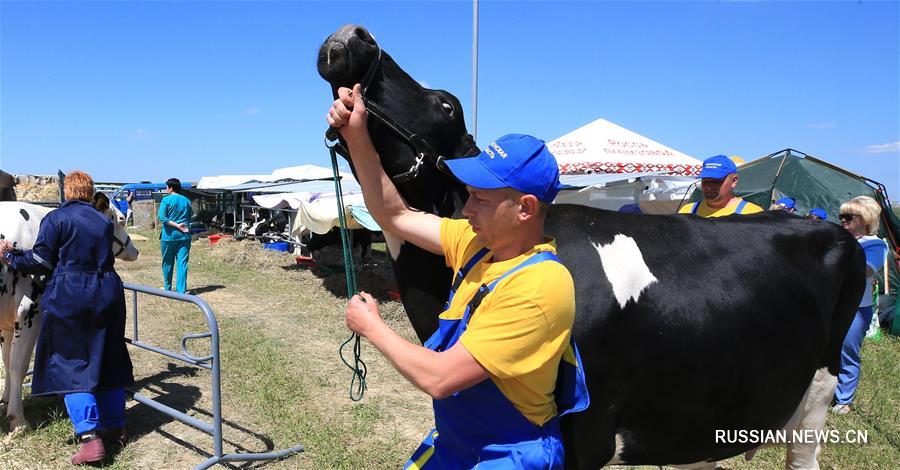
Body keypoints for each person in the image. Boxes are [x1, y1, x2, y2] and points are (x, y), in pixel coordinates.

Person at [328, 84, 588, 469]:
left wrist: (373, 328)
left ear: (525, 208)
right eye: (468, 194)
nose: (466, 209)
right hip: (460, 444)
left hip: (509, 453)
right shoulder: (477, 244)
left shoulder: (539, 286)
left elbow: (441, 378)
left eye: (481, 198)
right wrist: (357, 135)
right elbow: (395, 215)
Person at [0, 171, 134, 465]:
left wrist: (10, 257)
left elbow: (40, 261)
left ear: (66, 192)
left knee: (71, 360)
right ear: (90, 192)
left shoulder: (56, 219)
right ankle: (116, 426)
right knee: (108, 355)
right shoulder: (103, 219)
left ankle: (89, 438)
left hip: (73, 292)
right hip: (109, 290)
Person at [832, 196, 888, 414]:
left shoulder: (875, 244)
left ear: (865, 219)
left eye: (848, 217)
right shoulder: (839, 239)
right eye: (841, 217)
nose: (843, 221)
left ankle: (844, 399)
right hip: (833, 306)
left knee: (847, 352)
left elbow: (866, 271)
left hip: (856, 310)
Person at [678, 155, 763, 217]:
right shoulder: (687, 211)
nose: (709, 187)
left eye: (716, 181)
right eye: (705, 181)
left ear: (734, 181)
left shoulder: (752, 214)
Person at [158, 178, 192, 293]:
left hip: (169, 236)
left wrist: (176, 225)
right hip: (185, 236)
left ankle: (167, 288)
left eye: (167, 187)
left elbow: (162, 218)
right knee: (182, 263)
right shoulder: (187, 200)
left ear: (171, 188)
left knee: (167, 262)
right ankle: (181, 291)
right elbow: (190, 216)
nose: (166, 189)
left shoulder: (166, 200)